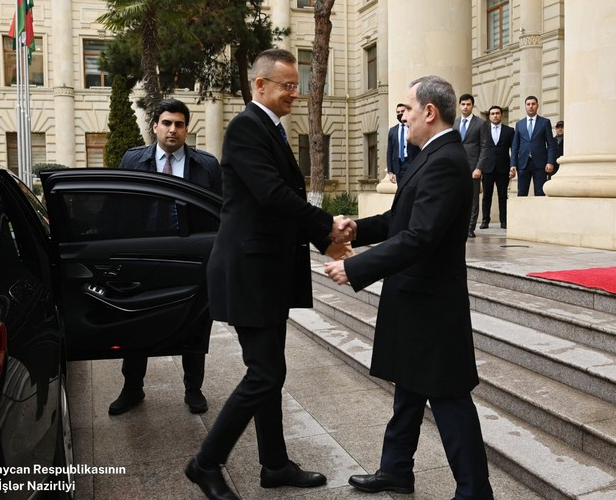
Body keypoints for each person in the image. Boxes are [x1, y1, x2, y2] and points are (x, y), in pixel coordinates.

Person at [185, 49, 353, 500]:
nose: (295, 93)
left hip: (266, 273)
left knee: (270, 372)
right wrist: (326, 226)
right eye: (287, 85)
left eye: (297, 85)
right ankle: (205, 463)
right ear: (260, 85)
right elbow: (273, 194)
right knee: (263, 373)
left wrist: (325, 241)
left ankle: (274, 464)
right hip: (248, 273)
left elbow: (277, 205)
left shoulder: (271, 129)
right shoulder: (246, 128)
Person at [322, 75, 494, 500]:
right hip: (415, 297)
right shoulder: (428, 156)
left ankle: (475, 492)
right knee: (409, 389)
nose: (404, 116)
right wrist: (354, 230)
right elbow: (399, 219)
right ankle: (396, 470)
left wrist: (358, 268)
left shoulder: (447, 161)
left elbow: (419, 237)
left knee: (450, 398)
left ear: (429, 112)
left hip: (432, 302)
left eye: (408, 109)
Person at [108, 98, 223, 416]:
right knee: (136, 324)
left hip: (191, 259)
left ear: (187, 128)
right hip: (144, 257)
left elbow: (220, 212)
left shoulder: (207, 165)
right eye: (167, 123)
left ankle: (193, 389)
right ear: (155, 126)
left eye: (180, 124)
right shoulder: (133, 160)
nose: (173, 129)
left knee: (195, 324)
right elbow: (119, 207)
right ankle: (132, 388)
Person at [476, 105, 515, 229]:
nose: (495, 115)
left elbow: (513, 150)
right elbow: (480, 148)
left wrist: (512, 166)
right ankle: (485, 220)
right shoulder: (484, 130)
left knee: (503, 195)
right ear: (489, 116)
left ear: (501, 115)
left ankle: (504, 221)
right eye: (492, 113)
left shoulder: (509, 131)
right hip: (487, 167)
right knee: (486, 195)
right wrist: (479, 166)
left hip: (503, 168)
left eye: (497, 113)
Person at [510, 95, 557, 196]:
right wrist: (513, 164)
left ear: (537, 106)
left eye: (533, 104)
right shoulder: (519, 124)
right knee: (521, 193)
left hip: (540, 164)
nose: (531, 106)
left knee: (540, 193)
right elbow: (515, 146)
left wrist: (550, 162)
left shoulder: (545, 122)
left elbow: (550, 144)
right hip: (523, 164)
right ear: (525, 106)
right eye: (528, 104)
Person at [454, 93, 487, 237]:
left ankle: (470, 228)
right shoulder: (454, 123)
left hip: (473, 168)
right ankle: (457, 225)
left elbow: (485, 147)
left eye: (468, 104)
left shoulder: (480, 123)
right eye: (463, 104)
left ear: (472, 106)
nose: (465, 107)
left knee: (473, 199)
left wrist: (479, 167)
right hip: (456, 167)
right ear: (459, 105)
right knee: (456, 197)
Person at [386, 103, 421, 183]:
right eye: (398, 112)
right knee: (401, 190)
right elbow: (390, 151)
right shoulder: (392, 131)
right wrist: (390, 171)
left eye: (402, 111)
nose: (400, 114)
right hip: (398, 165)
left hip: (411, 162)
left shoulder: (413, 127)